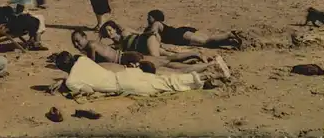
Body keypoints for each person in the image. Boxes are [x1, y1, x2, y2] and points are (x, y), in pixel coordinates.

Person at [50, 52, 230, 98]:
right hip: (125, 73)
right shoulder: (82, 59)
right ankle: (211, 70)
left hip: (123, 85)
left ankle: (210, 75)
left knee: (165, 85)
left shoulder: (72, 80)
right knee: (164, 79)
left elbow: (88, 91)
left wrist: (66, 84)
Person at [71, 29, 222, 73]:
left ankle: (205, 64)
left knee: (170, 67)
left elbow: (91, 65)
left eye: (78, 40)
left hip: (128, 60)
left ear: (85, 37)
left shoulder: (90, 47)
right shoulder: (94, 43)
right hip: (128, 57)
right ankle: (194, 54)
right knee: (167, 61)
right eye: (74, 43)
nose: (77, 44)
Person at [144, 10, 242, 49]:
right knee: (208, 43)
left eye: (149, 17)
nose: (148, 19)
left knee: (205, 42)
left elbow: (154, 32)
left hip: (179, 36)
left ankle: (229, 35)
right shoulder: (158, 24)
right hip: (180, 33)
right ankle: (230, 41)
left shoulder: (156, 23)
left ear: (154, 17)